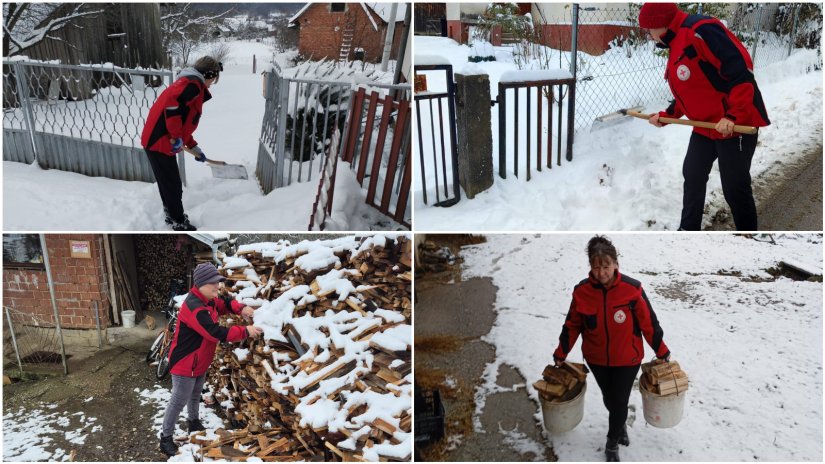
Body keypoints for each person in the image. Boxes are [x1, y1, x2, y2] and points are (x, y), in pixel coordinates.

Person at [640, 3, 770, 231]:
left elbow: (741, 71)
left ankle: (748, 235)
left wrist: (733, 116)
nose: (649, 35)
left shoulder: (701, 30)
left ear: (661, 24)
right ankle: (688, 230)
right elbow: (692, 88)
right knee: (692, 174)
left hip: (736, 124)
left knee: (734, 187)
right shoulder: (675, 41)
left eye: (649, 29)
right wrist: (667, 115)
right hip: (706, 126)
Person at [552, 236, 670, 462]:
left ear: (616, 264)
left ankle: (612, 440)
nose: (601, 273)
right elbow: (572, 325)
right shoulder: (582, 292)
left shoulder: (632, 290)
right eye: (596, 267)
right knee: (610, 398)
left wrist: (661, 350)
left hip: (627, 359)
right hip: (596, 359)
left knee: (618, 400)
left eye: (606, 267)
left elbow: (649, 323)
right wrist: (561, 353)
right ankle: (620, 421)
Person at [159, 263, 263, 457]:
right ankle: (165, 438)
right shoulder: (194, 307)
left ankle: (193, 421)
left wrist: (241, 309)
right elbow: (214, 332)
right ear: (200, 284)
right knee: (178, 400)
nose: (217, 286)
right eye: (213, 283)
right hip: (184, 362)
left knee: (196, 392)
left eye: (218, 282)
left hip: (199, 360)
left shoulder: (208, 300)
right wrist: (245, 331)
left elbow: (225, 303)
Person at [141, 56, 223, 231]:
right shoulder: (192, 85)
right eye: (213, 80)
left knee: (168, 182)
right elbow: (172, 107)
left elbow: (183, 122)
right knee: (172, 184)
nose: (211, 84)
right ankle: (178, 221)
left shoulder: (190, 83)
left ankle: (171, 214)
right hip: (158, 141)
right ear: (208, 74)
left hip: (158, 140)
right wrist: (175, 136)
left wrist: (193, 146)